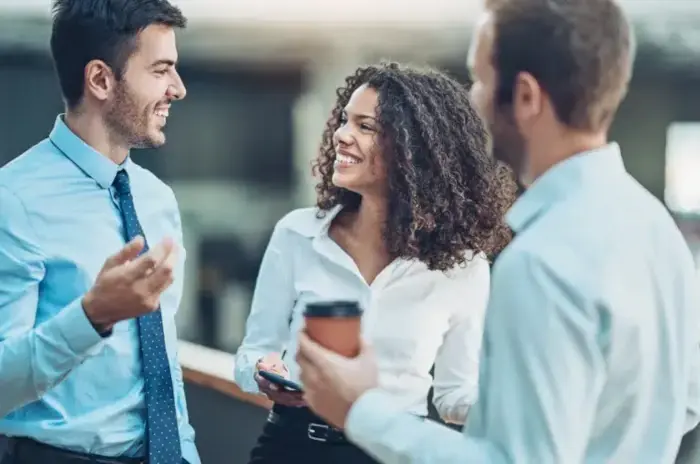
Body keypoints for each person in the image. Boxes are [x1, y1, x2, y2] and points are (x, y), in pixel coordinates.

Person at [296, 0, 700, 463]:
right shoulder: (658, 230)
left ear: (526, 97)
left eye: (480, 78)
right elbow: (684, 402)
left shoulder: (543, 259)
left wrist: (359, 410)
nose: (474, 98)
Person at [233, 62, 516, 463]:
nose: (341, 136)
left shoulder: (461, 267)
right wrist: (261, 370)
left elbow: (455, 395)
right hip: (291, 446)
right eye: (346, 121)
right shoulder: (297, 234)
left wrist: (517, 403)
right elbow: (254, 351)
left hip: (392, 453)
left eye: (365, 127)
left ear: (413, 149)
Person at [0, 1, 199, 463]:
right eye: (161, 70)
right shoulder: (13, 200)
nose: (178, 89)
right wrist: (92, 316)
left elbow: (160, 358)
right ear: (101, 80)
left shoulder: (157, 199)